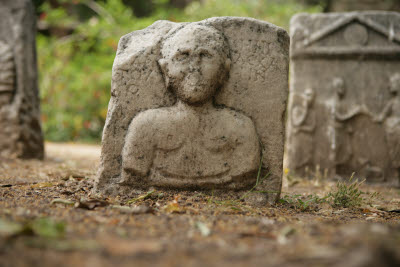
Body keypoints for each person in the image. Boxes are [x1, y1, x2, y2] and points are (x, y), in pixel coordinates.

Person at [120, 24, 261, 189]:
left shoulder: (240, 128)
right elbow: (133, 174)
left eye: (205, 55)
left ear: (225, 69)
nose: (194, 67)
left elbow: (246, 176)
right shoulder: (145, 126)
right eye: (183, 56)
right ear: (165, 69)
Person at [375, 73, 400, 175]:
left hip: (396, 130)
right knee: (395, 154)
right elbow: (381, 117)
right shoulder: (392, 102)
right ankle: (397, 175)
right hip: (393, 131)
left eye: (392, 83)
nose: (389, 86)